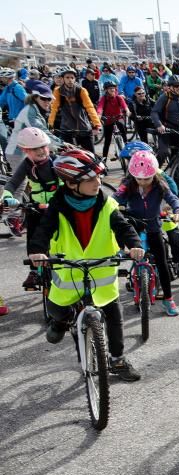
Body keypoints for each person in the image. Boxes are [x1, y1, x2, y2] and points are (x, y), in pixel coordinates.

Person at [26, 149, 145, 381]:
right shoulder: (57, 206)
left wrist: (133, 245)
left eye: (99, 177)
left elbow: (123, 227)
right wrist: (37, 251)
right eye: (90, 179)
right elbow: (43, 231)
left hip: (101, 271)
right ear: (71, 184)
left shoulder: (107, 204)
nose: (97, 182)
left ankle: (118, 359)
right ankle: (61, 322)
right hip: (67, 271)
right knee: (57, 310)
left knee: (114, 316)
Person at [113, 150, 179, 316]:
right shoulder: (128, 184)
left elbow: (172, 198)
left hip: (154, 227)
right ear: (133, 175)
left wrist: (178, 210)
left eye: (147, 178)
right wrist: (111, 206)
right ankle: (121, 252)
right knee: (118, 225)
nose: (143, 182)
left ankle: (168, 299)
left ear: (154, 174)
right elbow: (115, 198)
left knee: (162, 264)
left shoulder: (160, 185)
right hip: (135, 226)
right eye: (139, 178)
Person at [3, 128, 61, 289]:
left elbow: (67, 180)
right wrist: (7, 196)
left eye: (43, 146)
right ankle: (34, 270)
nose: (41, 151)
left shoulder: (56, 161)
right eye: (35, 149)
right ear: (25, 150)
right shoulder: (27, 165)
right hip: (37, 206)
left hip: (58, 205)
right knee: (33, 235)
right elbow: (13, 183)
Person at [5, 85, 62, 170]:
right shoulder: (30, 112)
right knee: (21, 182)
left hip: (30, 152)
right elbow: (42, 133)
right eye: (43, 98)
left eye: (49, 99)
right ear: (35, 98)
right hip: (17, 153)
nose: (47, 101)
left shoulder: (37, 110)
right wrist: (62, 144)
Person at [48, 68, 101, 152]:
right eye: (67, 77)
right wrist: (50, 124)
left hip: (83, 128)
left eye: (72, 77)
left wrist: (96, 124)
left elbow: (89, 107)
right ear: (63, 79)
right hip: (67, 129)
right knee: (68, 157)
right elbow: (54, 108)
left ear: (75, 79)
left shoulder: (81, 91)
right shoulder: (58, 91)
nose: (70, 80)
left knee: (91, 156)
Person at [151, 75, 179, 168]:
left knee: (176, 158)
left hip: (178, 131)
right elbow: (154, 112)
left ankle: (178, 180)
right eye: (176, 86)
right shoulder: (165, 97)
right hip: (165, 130)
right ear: (170, 87)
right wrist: (159, 125)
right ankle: (154, 171)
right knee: (165, 152)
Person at [96, 81, 129, 161]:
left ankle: (128, 152)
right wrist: (99, 115)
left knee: (124, 134)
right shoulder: (104, 98)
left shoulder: (118, 97)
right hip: (108, 120)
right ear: (106, 90)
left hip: (118, 118)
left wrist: (127, 111)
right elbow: (100, 107)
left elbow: (124, 106)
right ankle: (104, 160)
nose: (112, 90)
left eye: (113, 88)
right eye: (110, 88)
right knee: (107, 141)